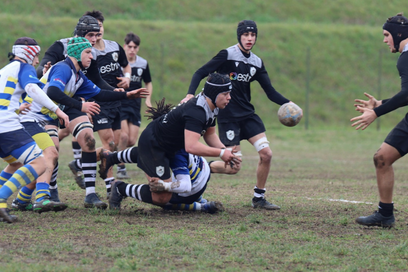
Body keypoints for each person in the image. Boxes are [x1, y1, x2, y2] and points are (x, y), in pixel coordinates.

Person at [181, 20, 302, 210]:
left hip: (248, 116)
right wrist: (190, 93)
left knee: (266, 154)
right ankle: (201, 168)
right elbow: (201, 72)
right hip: (228, 117)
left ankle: (258, 198)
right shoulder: (227, 55)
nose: (249, 39)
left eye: (253, 35)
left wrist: (288, 103)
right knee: (233, 167)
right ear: (239, 36)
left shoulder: (256, 62)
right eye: (246, 35)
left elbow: (270, 92)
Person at [39, 37, 148, 209]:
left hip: (64, 105)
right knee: (53, 148)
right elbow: (52, 91)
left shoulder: (79, 76)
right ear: (76, 53)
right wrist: (81, 105)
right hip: (42, 111)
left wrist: (127, 95)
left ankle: (90, 194)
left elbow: (100, 94)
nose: (92, 56)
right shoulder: (62, 68)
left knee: (88, 138)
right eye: (88, 52)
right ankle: (52, 191)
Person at [98, 99, 227, 213]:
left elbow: (186, 186)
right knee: (148, 154)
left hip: (192, 189)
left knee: (162, 197)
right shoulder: (178, 138)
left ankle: (121, 188)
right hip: (200, 180)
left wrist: (164, 186)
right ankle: (108, 160)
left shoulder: (177, 149)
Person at [37, 14, 120, 190]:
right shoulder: (61, 46)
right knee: (54, 144)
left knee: (92, 139)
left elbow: (96, 80)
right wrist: (43, 71)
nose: (95, 40)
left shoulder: (91, 51)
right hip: (51, 103)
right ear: (80, 33)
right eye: (91, 35)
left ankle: (97, 190)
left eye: (98, 36)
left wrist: (116, 92)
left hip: (79, 100)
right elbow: (42, 70)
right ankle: (47, 187)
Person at [0, 37, 69, 223]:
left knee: (15, 163)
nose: (37, 61)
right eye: (36, 55)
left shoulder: (4, 71)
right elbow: (33, 89)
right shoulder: (24, 68)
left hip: (2, 125)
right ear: (28, 53)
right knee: (39, 163)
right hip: (8, 128)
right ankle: (1, 198)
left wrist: (16, 108)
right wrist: (57, 110)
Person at [350, 13, 408, 228]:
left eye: (386, 35)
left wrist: (376, 112)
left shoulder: (406, 57)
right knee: (382, 158)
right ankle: (385, 215)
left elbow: (407, 94)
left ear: (398, 34)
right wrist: (380, 102)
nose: (385, 40)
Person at [85, 10, 132, 194]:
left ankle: (83, 160)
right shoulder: (87, 52)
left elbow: (126, 64)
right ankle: (110, 187)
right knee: (110, 144)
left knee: (117, 142)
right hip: (99, 102)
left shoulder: (114, 46)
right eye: (93, 29)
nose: (98, 32)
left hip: (116, 101)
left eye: (100, 27)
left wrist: (127, 78)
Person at [117, 32, 153, 179]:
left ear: (138, 48)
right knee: (124, 136)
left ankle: (112, 153)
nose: (132, 49)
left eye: (135, 47)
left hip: (135, 105)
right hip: (120, 102)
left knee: (131, 141)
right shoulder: (119, 63)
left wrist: (148, 99)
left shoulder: (143, 63)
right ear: (125, 46)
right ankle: (120, 166)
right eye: (129, 46)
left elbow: (148, 82)